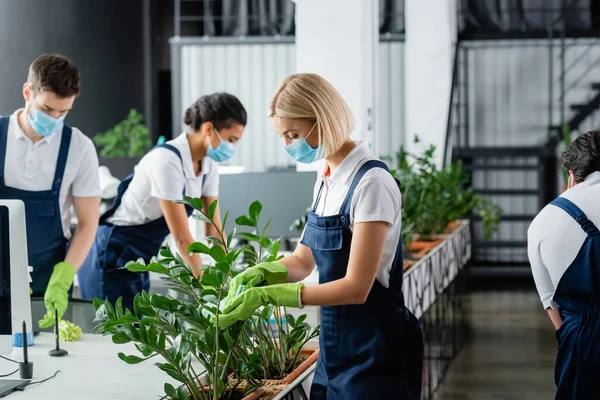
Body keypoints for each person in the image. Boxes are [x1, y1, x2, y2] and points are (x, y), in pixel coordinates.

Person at [217, 73, 424, 399]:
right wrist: (260, 274)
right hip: (334, 343)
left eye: (293, 134)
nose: (288, 145)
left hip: (375, 345)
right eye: (282, 136)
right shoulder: (326, 179)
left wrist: (273, 297)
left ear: (323, 120)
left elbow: (357, 288)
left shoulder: (371, 183)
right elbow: (303, 260)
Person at [78, 93, 247, 310]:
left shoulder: (208, 166)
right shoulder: (167, 161)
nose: (232, 147)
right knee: (114, 333)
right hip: (112, 254)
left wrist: (228, 278)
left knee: (138, 332)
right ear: (208, 129)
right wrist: (210, 290)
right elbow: (183, 238)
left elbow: (214, 230)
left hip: (139, 258)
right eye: (231, 139)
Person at [0, 54, 101, 328]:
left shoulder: (79, 148)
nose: (55, 119)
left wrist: (66, 274)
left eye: (63, 112)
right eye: (47, 109)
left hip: (48, 277)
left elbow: (89, 222)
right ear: (27, 92)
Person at [528, 130, 600, 399]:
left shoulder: (545, 220)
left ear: (571, 175)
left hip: (584, 344)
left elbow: (550, 301)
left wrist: (575, 337)